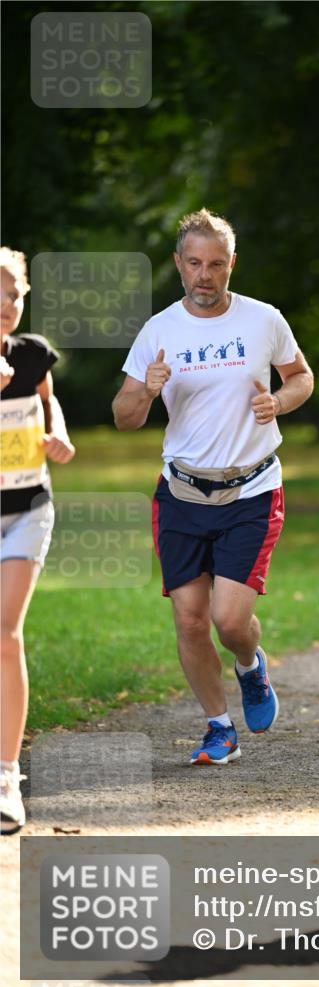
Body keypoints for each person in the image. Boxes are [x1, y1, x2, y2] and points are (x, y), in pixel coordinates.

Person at [112, 209, 313, 766]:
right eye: (195, 263)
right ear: (179, 264)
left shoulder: (263, 320)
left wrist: (281, 400)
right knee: (190, 618)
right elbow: (124, 416)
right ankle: (218, 726)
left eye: (216, 264)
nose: (205, 274)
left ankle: (251, 666)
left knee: (229, 620)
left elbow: (301, 377)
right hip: (181, 494)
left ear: (231, 265)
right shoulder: (159, 331)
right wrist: (146, 392)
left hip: (251, 489)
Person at [0, 247, 76, 834]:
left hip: (27, 508)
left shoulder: (30, 354)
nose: (6, 305)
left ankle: (6, 778)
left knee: (5, 632)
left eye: (14, 294)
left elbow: (51, 409)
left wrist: (59, 436)